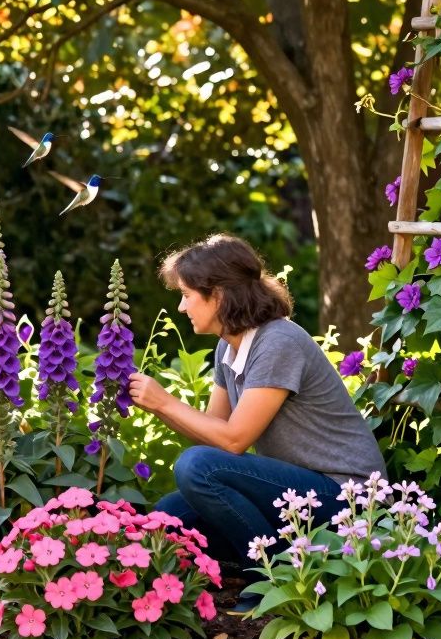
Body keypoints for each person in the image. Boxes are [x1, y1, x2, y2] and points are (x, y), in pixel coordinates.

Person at [126, 234, 386, 612]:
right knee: (168, 518)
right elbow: (213, 434)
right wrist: (159, 407)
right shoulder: (228, 346)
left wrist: (165, 400)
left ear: (217, 295)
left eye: (185, 295)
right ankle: (278, 561)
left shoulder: (278, 341)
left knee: (195, 468)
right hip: (295, 494)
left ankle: (273, 578)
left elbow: (233, 441)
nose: (181, 307)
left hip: (346, 496)